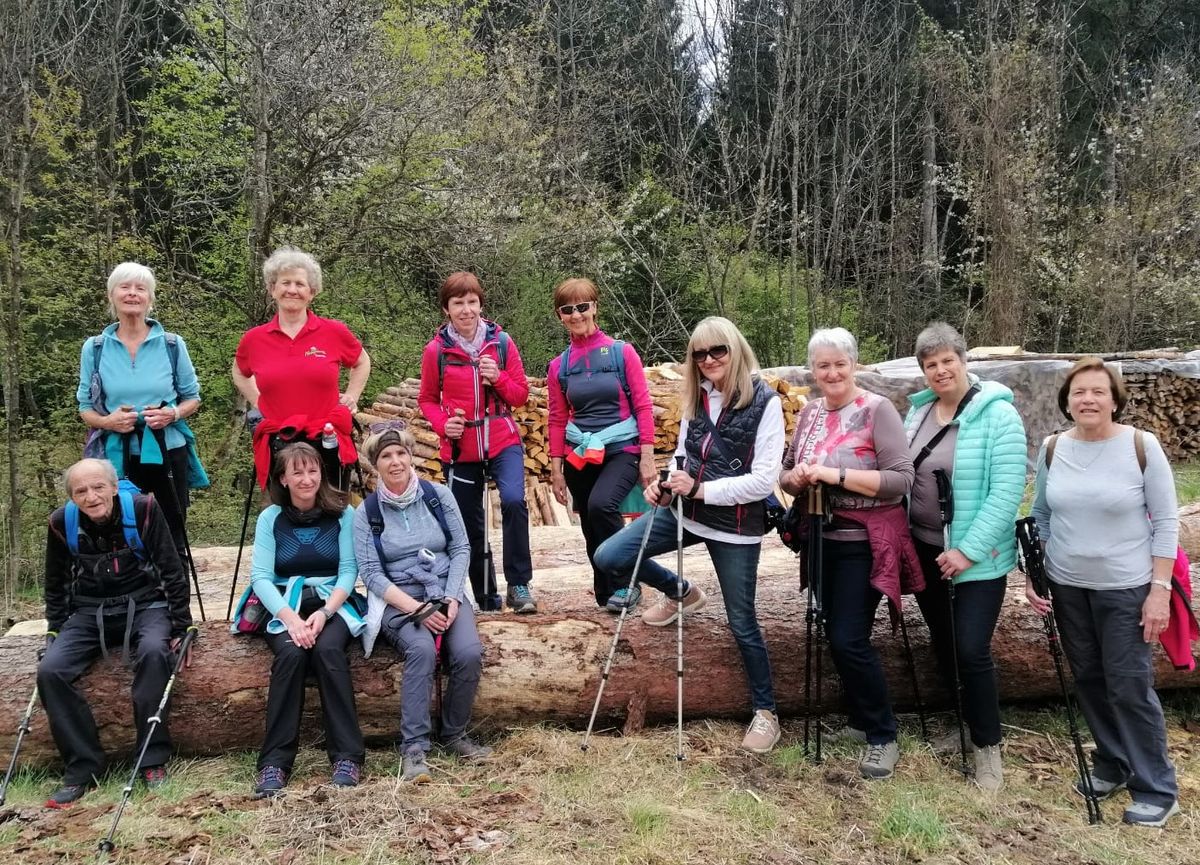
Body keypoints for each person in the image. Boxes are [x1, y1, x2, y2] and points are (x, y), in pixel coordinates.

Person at [593, 317, 784, 754]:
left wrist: (701, 489)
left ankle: (766, 712)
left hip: (735, 526)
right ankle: (681, 591)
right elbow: (682, 454)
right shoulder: (697, 398)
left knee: (742, 622)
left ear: (736, 350)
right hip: (684, 512)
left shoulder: (766, 402)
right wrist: (664, 484)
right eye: (699, 354)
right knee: (610, 556)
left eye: (718, 350)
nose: (709, 360)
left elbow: (761, 482)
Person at [1029, 357, 1180, 827]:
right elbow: (1042, 515)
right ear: (1067, 400)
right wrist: (1038, 573)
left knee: (1129, 685)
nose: (1088, 399)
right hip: (1068, 587)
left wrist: (1158, 591)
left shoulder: (1140, 445)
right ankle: (1112, 764)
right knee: (1091, 679)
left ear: (1114, 399)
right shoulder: (1053, 448)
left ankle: (1156, 786)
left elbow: (1167, 521)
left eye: (1097, 391)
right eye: (1079, 392)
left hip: (1126, 588)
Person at [779, 327, 922, 780]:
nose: (832, 372)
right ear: (813, 371)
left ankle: (883, 734)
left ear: (854, 365)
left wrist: (834, 475)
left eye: (840, 363)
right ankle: (861, 722)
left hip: (865, 542)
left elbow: (902, 480)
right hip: (821, 537)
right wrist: (797, 478)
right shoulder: (810, 413)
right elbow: (784, 474)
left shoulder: (877, 410)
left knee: (848, 637)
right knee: (831, 630)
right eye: (823, 365)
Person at [902, 323, 1026, 790]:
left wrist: (967, 551)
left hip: (979, 559)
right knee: (945, 644)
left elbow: (1008, 492)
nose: (940, 370)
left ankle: (988, 748)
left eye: (947, 360)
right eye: (930, 364)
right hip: (926, 549)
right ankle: (965, 724)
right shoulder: (918, 415)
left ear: (963, 360)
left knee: (972, 649)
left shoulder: (999, 416)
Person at [37, 459, 194, 807]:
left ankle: (151, 759)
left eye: (98, 487)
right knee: (50, 670)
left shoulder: (144, 509)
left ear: (113, 486)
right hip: (89, 610)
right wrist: (54, 629)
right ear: (72, 497)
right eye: (81, 491)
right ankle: (82, 767)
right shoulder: (62, 522)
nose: (91, 497)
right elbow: (56, 581)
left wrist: (183, 626)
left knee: (155, 652)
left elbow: (172, 569)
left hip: (146, 604)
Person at [355, 425, 491, 784]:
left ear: (411, 455)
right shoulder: (367, 513)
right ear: (374, 464)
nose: (395, 461)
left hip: (445, 589)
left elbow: (461, 547)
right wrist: (417, 610)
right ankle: (414, 747)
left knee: (468, 653)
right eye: (386, 456)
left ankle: (455, 733)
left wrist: (450, 596)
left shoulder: (438, 496)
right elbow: (371, 574)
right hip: (400, 599)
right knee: (422, 652)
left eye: (401, 453)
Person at [230, 443, 366, 798]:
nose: (307, 479)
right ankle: (274, 761)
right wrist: (290, 620)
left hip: (333, 601)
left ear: (321, 472)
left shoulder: (342, 513)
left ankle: (347, 756)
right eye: (297, 472)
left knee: (328, 651)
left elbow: (349, 569)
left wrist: (324, 614)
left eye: (312, 471)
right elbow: (260, 576)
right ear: (282, 479)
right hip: (284, 601)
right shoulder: (270, 518)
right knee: (290, 654)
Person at [417, 272, 536, 614]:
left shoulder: (501, 343)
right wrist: (444, 425)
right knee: (468, 523)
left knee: (514, 501)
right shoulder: (436, 351)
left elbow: (520, 395)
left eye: (472, 302)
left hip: (502, 439)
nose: (466, 310)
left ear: (481, 305)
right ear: (446, 309)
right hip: (461, 447)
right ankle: (487, 598)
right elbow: (426, 399)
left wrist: (497, 378)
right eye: (458, 303)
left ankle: (519, 585)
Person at [77, 261, 207, 556]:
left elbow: (192, 398)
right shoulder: (95, 348)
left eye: (140, 288)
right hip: (116, 456)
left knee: (173, 530)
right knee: (120, 530)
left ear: (150, 298)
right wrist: (108, 422)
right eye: (125, 287)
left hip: (167, 448)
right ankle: (130, 596)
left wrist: (171, 414)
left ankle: (175, 598)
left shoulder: (172, 344)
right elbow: (85, 407)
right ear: (111, 296)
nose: (132, 294)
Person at [546, 278, 657, 611]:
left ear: (595, 306)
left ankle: (628, 582)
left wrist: (647, 457)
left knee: (601, 506)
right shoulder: (559, 366)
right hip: (580, 453)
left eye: (583, 306)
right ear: (559, 315)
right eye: (568, 309)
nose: (577, 314)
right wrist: (556, 469)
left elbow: (643, 405)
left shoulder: (622, 353)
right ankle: (605, 589)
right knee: (589, 524)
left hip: (621, 447)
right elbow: (556, 418)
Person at [233, 246, 371, 491]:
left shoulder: (334, 332)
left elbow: (361, 361)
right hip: (279, 444)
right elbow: (239, 372)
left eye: (300, 284)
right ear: (272, 289)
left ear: (312, 292)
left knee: (333, 514)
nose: (292, 290)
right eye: (285, 283)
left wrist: (352, 396)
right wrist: (258, 401)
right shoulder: (254, 339)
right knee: (283, 516)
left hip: (326, 441)